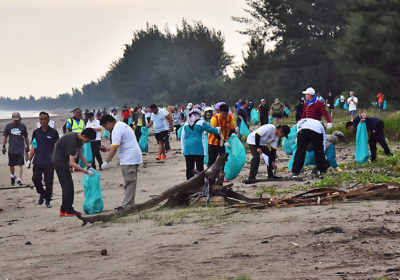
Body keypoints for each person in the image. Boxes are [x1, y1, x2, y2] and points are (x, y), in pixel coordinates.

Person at [100, 115, 143, 213]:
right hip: (131, 156)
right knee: (130, 181)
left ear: (109, 123)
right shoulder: (121, 125)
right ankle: (129, 203)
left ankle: (127, 205)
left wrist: (106, 162)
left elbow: (115, 148)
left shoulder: (117, 129)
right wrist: (107, 149)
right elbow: (116, 145)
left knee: (130, 181)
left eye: (105, 127)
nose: (106, 129)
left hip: (129, 158)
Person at [52, 128, 96, 216]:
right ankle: (67, 210)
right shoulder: (72, 140)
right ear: (83, 136)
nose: (88, 142)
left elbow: (80, 153)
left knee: (69, 185)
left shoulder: (79, 138)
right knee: (67, 187)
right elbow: (72, 163)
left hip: (64, 161)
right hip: (59, 162)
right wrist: (86, 172)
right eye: (88, 140)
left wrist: (88, 166)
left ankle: (64, 209)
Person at [26, 112, 59, 207]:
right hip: (38, 161)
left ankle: (47, 201)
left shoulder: (53, 132)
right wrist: (29, 159)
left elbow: (56, 147)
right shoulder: (36, 133)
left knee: (49, 182)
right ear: (39, 121)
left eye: (45, 119)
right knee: (35, 179)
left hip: (49, 162)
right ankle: (43, 194)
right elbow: (34, 146)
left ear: (48, 120)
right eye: (41, 119)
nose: (43, 121)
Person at [181, 108, 221, 179]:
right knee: (199, 168)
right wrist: (218, 129)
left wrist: (183, 150)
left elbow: (182, 137)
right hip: (198, 148)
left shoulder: (186, 124)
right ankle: (200, 183)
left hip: (187, 149)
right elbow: (212, 130)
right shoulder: (201, 122)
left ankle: (189, 183)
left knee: (189, 168)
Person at [2, 112, 30, 186]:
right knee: (11, 165)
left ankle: (19, 179)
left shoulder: (23, 126)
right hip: (11, 149)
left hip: (20, 148)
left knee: (20, 164)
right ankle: (13, 176)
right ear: (12, 118)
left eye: (17, 119)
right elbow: (5, 136)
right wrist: (3, 146)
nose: (16, 120)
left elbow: (26, 137)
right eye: (15, 119)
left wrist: (27, 146)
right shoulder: (8, 126)